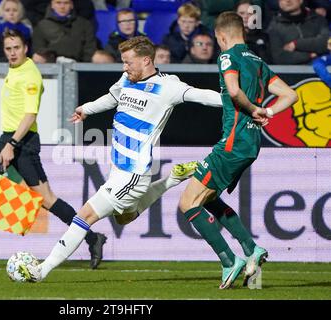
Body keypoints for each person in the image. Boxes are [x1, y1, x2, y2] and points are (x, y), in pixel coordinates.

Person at [24, 36, 225, 283]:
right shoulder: (128, 79)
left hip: (133, 174)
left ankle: (41, 271)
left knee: (84, 216)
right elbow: (113, 97)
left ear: (146, 60)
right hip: (118, 170)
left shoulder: (168, 87)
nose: (124, 67)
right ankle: (172, 179)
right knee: (125, 217)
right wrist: (87, 109)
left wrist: (238, 103)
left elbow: (202, 95)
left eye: (128, 62)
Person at [0, 29, 107, 269]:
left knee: (47, 200)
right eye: (8, 48)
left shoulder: (30, 75)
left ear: (25, 49)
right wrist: (8, 141)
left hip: (23, 142)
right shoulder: (16, 70)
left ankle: (93, 238)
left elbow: (30, 114)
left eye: (16, 48)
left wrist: (12, 145)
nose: (12, 53)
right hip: (7, 137)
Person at [179, 12, 298, 289]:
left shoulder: (227, 57)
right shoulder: (257, 61)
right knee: (208, 198)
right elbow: (290, 95)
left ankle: (229, 261)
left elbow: (233, 91)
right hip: (250, 143)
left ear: (221, 36)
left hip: (233, 142)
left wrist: (256, 109)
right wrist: (268, 111)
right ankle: (251, 248)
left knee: (188, 202)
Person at [32, 0, 97, 62]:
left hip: (79, 64)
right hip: (52, 64)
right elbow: (39, 48)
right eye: (58, 3)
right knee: (37, 57)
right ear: (52, 5)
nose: (62, 7)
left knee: (99, 57)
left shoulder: (84, 24)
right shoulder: (42, 25)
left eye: (66, 3)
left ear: (71, 5)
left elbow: (90, 48)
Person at [267, 0, 329, 65]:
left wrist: (296, 44)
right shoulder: (274, 26)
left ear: (301, 1)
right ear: (279, 3)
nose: (288, 1)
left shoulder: (318, 19)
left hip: (321, 70)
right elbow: (279, 57)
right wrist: (310, 55)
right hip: (289, 72)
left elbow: (326, 43)